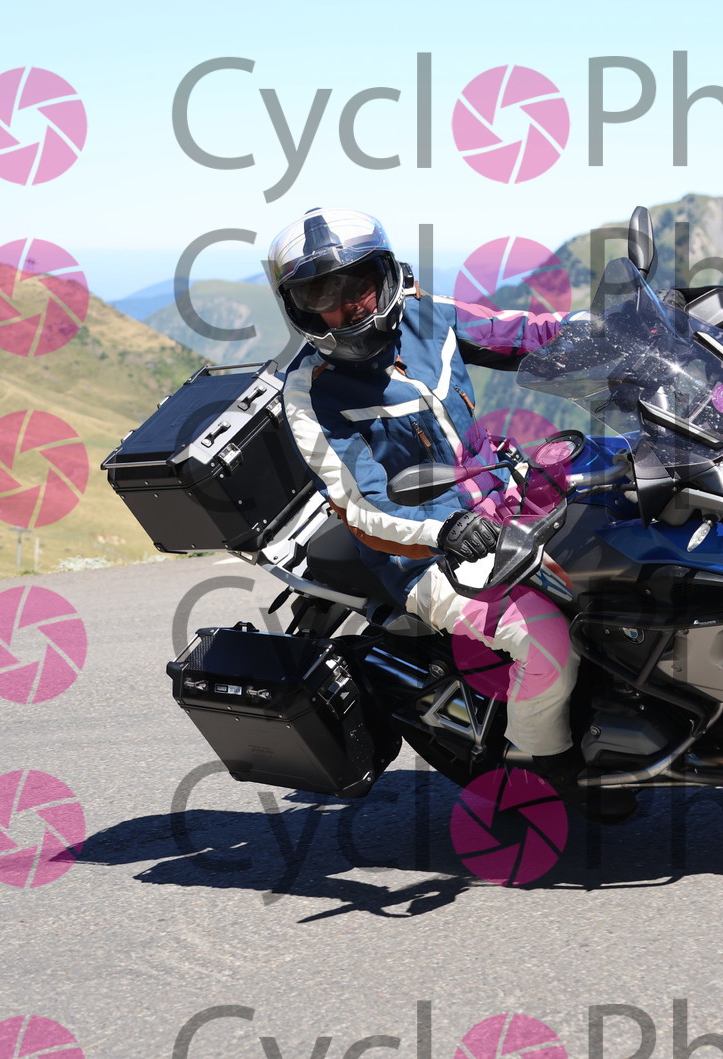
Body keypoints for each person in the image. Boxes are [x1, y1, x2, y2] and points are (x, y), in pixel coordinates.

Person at [266, 207, 632, 822]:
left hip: (509, 493)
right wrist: (443, 530)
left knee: (628, 511)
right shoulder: (309, 391)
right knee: (544, 639)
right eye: (322, 294)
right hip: (427, 552)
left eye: (359, 282)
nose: (349, 304)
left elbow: (525, 332)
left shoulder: (428, 316)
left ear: (386, 274)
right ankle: (543, 765)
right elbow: (361, 503)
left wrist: (616, 330)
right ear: (300, 307)